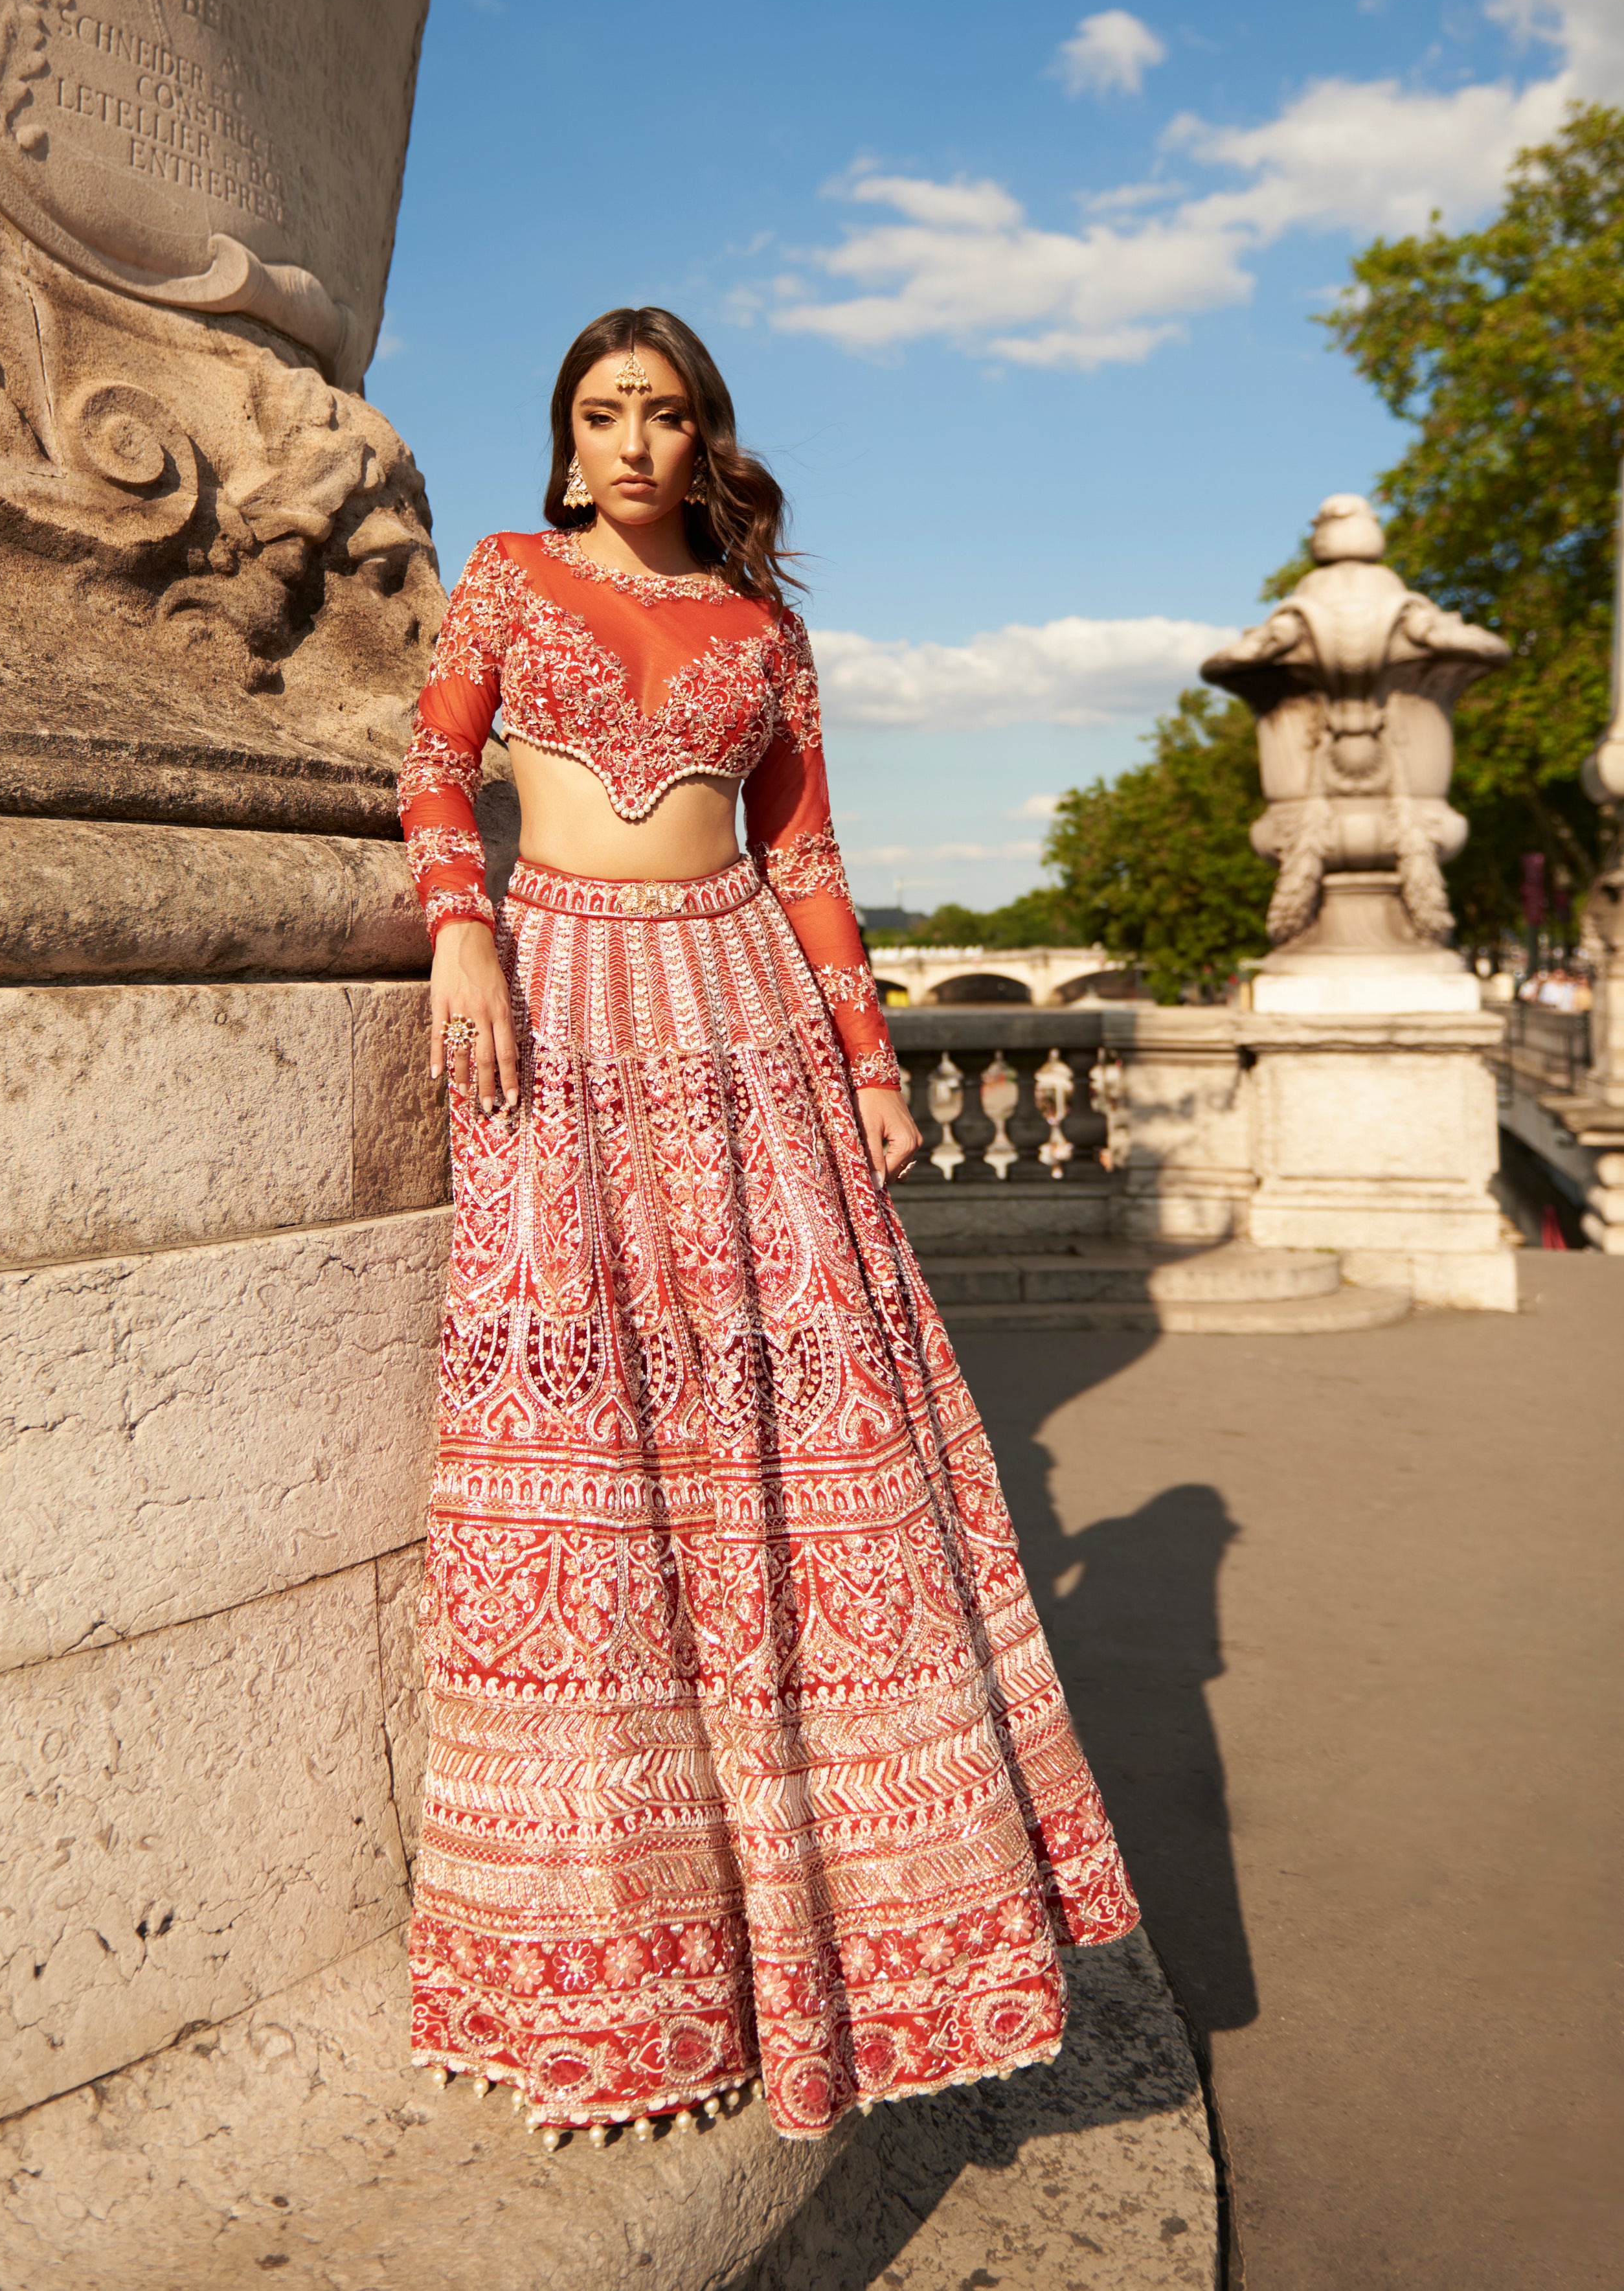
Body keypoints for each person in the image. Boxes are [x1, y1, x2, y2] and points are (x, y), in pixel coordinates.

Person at [396, 306, 1137, 2150]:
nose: (632, 440)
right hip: (558, 1001)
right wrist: (464, 928)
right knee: (582, 1436)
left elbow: (807, 861)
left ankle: (850, 1938)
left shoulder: (764, 634)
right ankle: (610, 1953)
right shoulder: (504, 580)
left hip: (744, 1024)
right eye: (601, 413)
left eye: (664, 413)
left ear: (703, 436)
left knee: (797, 1439)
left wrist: (874, 1064)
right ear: (565, 445)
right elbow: (431, 770)